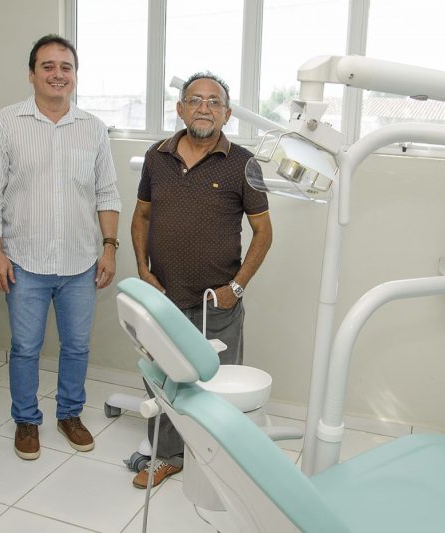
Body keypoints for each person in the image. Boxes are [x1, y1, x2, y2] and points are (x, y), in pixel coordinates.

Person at [0, 34, 121, 461]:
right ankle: (26, 420)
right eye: (48, 66)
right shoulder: (6, 123)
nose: (58, 74)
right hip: (24, 261)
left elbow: (107, 192)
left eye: (66, 67)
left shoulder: (92, 128)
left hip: (80, 261)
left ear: (75, 75)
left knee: (77, 347)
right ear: (32, 74)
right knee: (25, 347)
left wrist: (109, 248)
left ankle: (69, 414)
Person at [130, 72, 273, 488]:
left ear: (227, 114)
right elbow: (141, 217)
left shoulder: (243, 163)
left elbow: (264, 232)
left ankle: (216, 464)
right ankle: (168, 456)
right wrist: (143, 270)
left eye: (214, 102)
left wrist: (237, 288)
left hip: (217, 303)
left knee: (217, 386)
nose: (204, 108)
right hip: (163, 299)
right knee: (163, 381)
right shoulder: (157, 156)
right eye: (195, 100)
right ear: (180, 109)